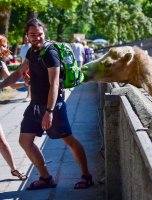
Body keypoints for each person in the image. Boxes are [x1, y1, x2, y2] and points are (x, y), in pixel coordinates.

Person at [0, 18, 93, 190]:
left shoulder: (50, 53)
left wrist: (49, 111)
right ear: (27, 36)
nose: (37, 37)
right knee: (25, 141)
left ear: (44, 33)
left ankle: (87, 176)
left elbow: (55, 84)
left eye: (39, 34)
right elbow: (19, 72)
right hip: (35, 105)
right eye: (32, 34)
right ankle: (45, 178)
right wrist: (1, 85)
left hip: (52, 106)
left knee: (69, 140)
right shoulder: (31, 52)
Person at [0, 35, 27, 181]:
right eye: (3, 45)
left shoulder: (0, 64)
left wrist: (25, 84)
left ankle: (14, 169)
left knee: (2, 142)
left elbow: (11, 83)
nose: (6, 48)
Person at [19, 35, 31, 102]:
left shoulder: (31, 46)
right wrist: (21, 66)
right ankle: (30, 95)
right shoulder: (22, 47)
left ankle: (29, 95)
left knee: (29, 80)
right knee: (26, 80)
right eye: (25, 39)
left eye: (27, 39)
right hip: (24, 66)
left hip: (30, 66)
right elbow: (21, 57)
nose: (26, 40)